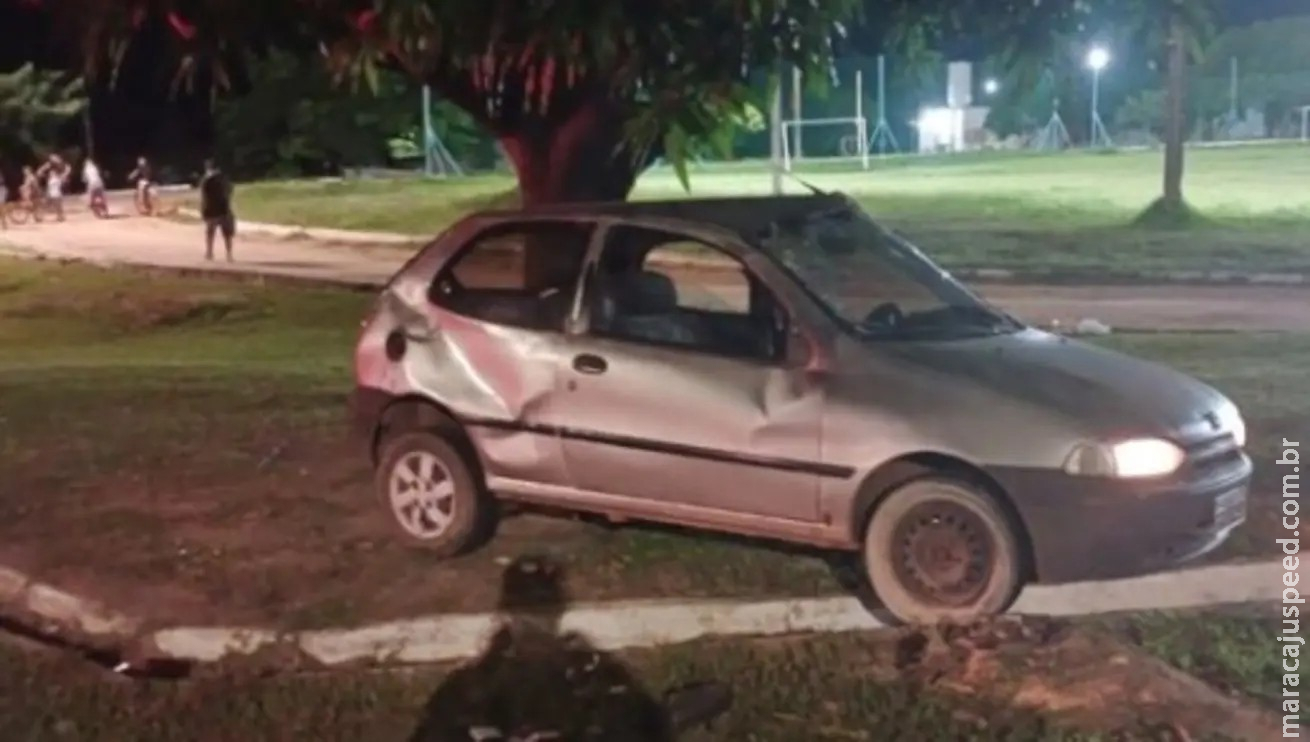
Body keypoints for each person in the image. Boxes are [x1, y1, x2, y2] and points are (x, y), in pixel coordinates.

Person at [198, 159, 235, 261]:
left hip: (211, 209)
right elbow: (230, 190)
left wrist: (203, 210)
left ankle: (209, 252)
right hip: (224, 208)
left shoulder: (205, 180)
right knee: (227, 234)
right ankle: (229, 254)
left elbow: (204, 196)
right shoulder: (224, 178)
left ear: (207, 168)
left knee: (210, 232)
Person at [37, 154, 69, 222]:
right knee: (47, 205)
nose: (52, 173)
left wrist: (67, 170)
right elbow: (40, 172)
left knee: (58, 206)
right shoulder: (50, 179)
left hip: (56, 194)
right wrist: (44, 167)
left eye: (53, 172)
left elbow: (64, 174)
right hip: (52, 194)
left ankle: (60, 217)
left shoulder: (57, 178)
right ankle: (40, 216)